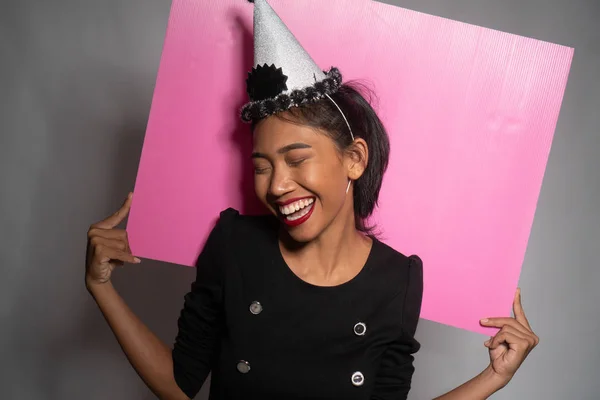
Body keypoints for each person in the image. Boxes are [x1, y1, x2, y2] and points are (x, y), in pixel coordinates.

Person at [85, 0, 539, 399]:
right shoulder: (233, 245)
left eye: (297, 159)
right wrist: (101, 288)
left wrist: (491, 378)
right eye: (262, 166)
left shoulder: (397, 281)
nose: (277, 185)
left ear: (355, 159)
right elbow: (178, 383)